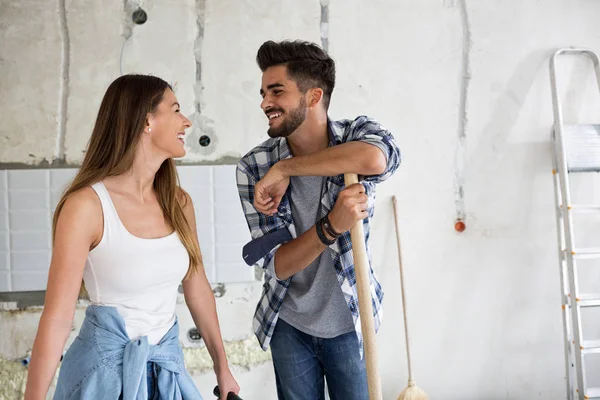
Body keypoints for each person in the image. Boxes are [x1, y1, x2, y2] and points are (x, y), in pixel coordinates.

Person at [24, 74, 239, 400]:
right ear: (146, 121)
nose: (187, 122)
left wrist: (223, 367)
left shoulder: (179, 203)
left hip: (166, 374)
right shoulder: (86, 206)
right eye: (176, 109)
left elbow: (197, 289)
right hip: (102, 378)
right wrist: (33, 397)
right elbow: (57, 317)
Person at [236, 40, 401, 400]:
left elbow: (376, 160)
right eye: (264, 92)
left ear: (313, 96)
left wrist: (286, 169)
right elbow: (278, 264)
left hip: (352, 322)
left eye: (276, 91)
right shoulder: (254, 167)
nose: (265, 103)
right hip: (289, 325)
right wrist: (331, 226)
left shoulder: (355, 137)